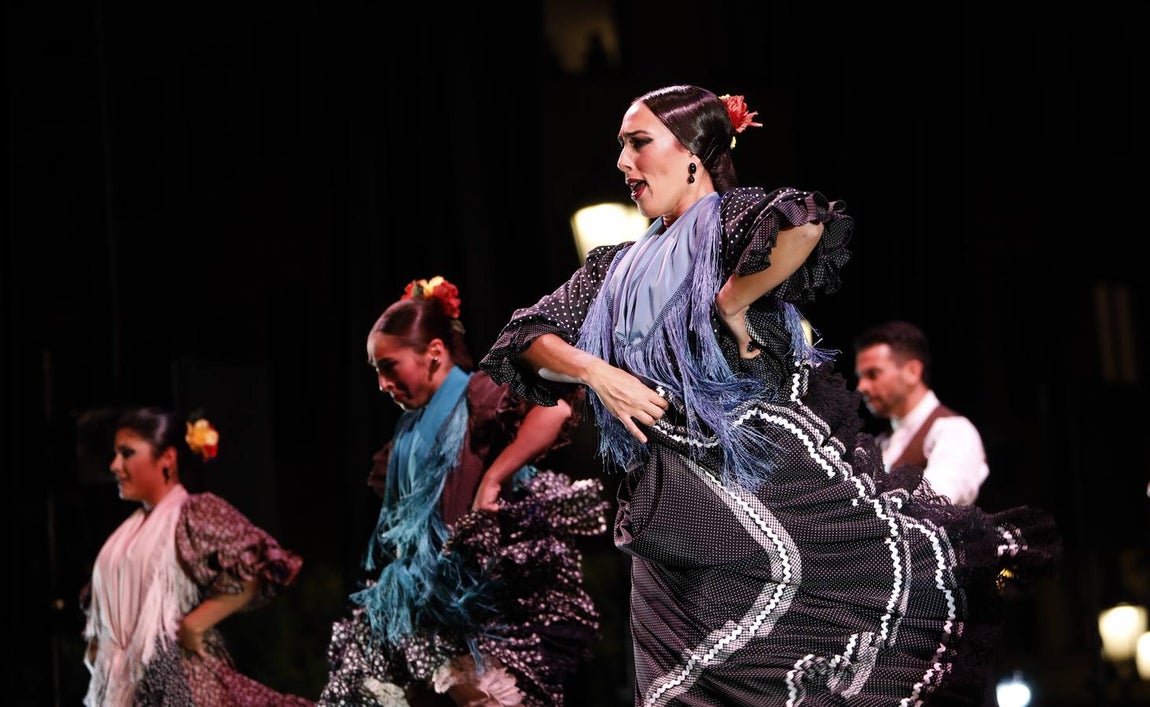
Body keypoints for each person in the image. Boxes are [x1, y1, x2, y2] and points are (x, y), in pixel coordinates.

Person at [478, 84, 1061, 705]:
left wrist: (731, 300)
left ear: (693, 154)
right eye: (621, 148)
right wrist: (597, 371)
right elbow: (524, 337)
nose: (623, 163)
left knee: (774, 662)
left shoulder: (730, 223)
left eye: (638, 144)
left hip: (748, 493)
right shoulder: (609, 269)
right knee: (674, 690)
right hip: (659, 515)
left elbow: (807, 221)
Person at [320, 275, 609, 707]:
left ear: (434, 353)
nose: (382, 383)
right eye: (376, 371)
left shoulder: (478, 393)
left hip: (484, 598)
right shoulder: (408, 430)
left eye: (389, 366)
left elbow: (556, 407)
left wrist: (494, 477)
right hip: (436, 598)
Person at [82, 405, 313, 706]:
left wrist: (195, 623)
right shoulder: (128, 533)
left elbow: (260, 565)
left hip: (177, 682)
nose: (114, 465)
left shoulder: (193, 513)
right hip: (129, 686)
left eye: (127, 453)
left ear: (167, 458)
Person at [853, 320, 990, 506]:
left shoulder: (954, 431)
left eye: (873, 374)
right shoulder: (880, 442)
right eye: (860, 377)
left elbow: (938, 501)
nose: (862, 387)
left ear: (912, 371)